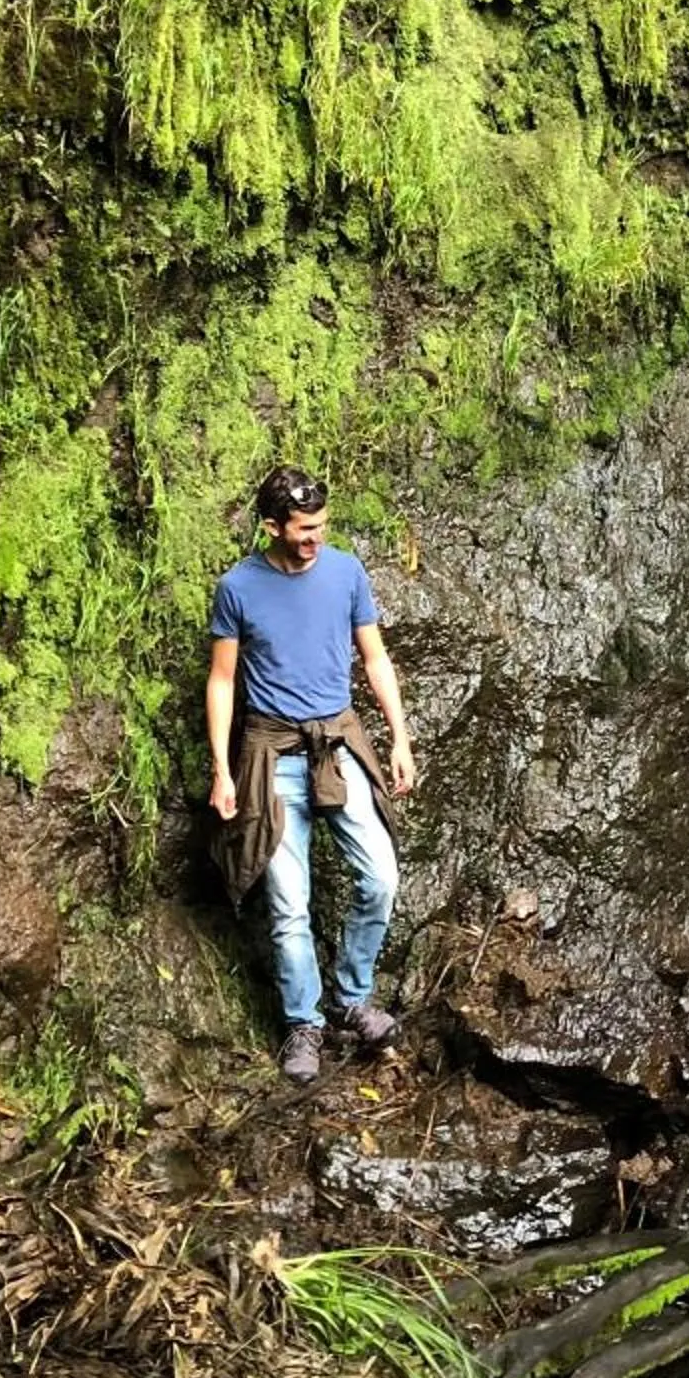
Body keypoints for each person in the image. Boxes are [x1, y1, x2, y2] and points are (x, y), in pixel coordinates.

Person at [204, 465, 418, 1084]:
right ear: (271, 526)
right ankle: (305, 1024)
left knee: (380, 876)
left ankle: (351, 998)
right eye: (301, 529)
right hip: (271, 758)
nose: (313, 539)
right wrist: (223, 769)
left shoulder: (346, 572)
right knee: (289, 906)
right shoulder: (238, 588)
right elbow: (221, 680)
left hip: (339, 746)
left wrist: (399, 739)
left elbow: (375, 659)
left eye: (320, 527)